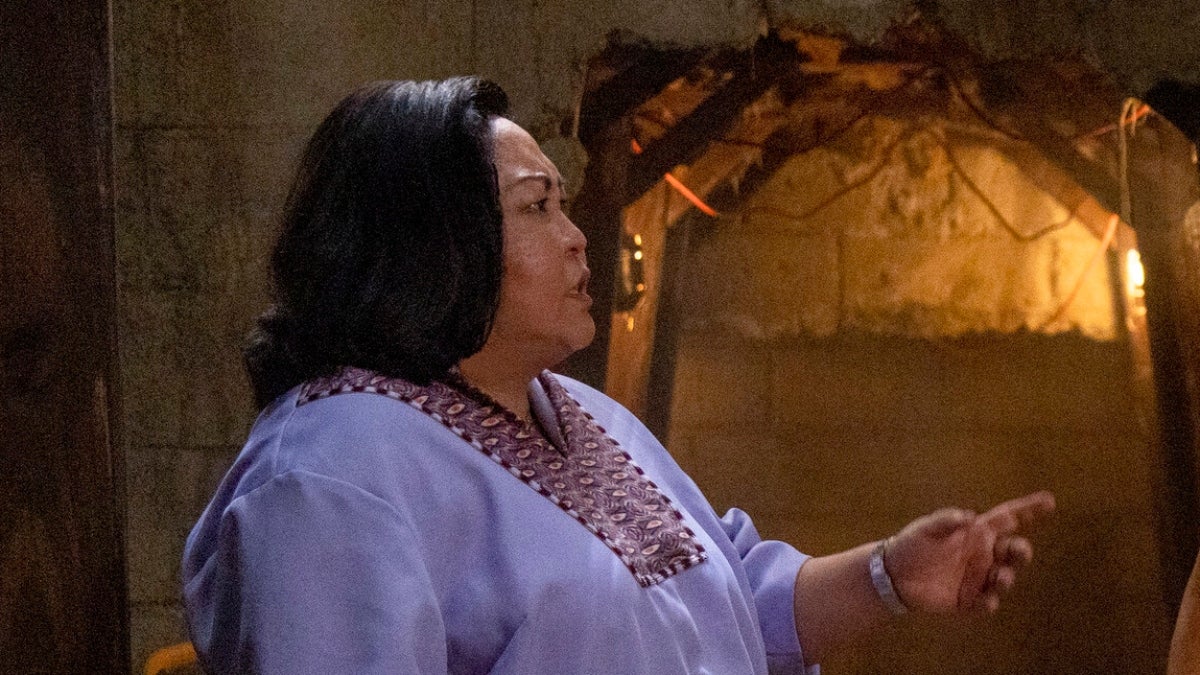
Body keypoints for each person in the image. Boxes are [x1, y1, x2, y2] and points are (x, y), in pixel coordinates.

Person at [181, 76, 1056, 674]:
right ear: (435, 242)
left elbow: (732, 601)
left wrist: (891, 574)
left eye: (563, 205)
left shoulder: (582, 413)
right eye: (537, 207)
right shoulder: (331, 470)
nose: (576, 239)